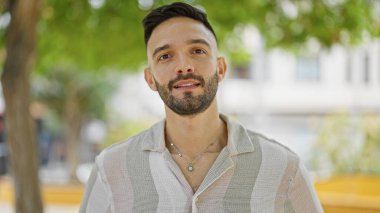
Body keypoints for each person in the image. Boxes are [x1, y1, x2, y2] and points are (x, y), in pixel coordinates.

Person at [80, 2, 323, 213]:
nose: (184, 66)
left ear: (221, 68)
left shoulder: (283, 169)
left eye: (197, 51)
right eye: (165, 56)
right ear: (150, 79)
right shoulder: (111, 169)